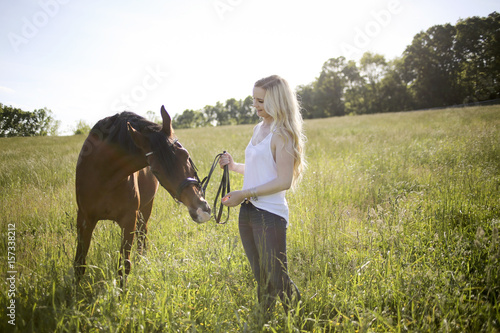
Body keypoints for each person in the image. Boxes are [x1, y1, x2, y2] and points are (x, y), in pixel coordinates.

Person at [219, 75, 306, 314]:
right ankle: (264, 320)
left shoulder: (283, 134)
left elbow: (283, 180)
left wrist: (244, 193)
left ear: (276, 101)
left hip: (269, 214)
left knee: (278, 278)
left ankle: (298, 322)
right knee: (260, 275)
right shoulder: (259, 128)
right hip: (247, 211)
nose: (255, 105)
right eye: (253, 100)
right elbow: (262, 169)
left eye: (260, 100)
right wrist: (234, 166)